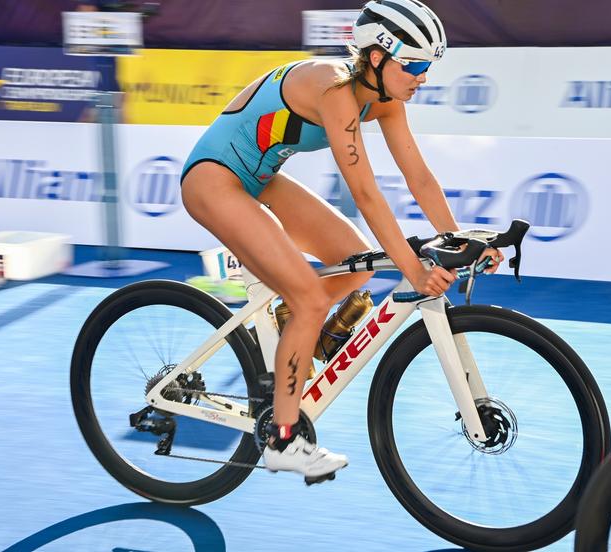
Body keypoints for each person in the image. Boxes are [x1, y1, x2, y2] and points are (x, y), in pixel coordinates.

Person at [180, 0, 503, 482]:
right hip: (213, 180)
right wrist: (414, 272)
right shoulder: (334, 90)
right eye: (414, 65)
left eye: (427, 67)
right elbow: (366, 194)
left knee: (356, 263)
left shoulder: (386, 97)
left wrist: (459, 240)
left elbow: (418, 178)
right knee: (311, 299)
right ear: (376, 57)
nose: (422, 77)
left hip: (261, 178)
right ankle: (283, 440)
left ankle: (292, 330)